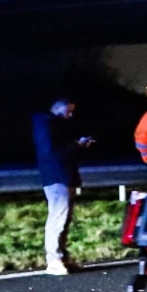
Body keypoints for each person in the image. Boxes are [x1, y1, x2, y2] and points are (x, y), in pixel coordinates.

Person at [31, 97, 94, 275]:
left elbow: (66, 153)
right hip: (57, 177)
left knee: (64, 219)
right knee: (58, 219)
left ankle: (62, 257)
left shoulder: (56, 125)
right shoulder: (46, 125)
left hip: (65, 176)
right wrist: (77, 144)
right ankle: (54, 260)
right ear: (58, 108)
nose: (71, 114)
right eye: (69, 110)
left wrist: (80, 147)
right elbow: (52, 153)